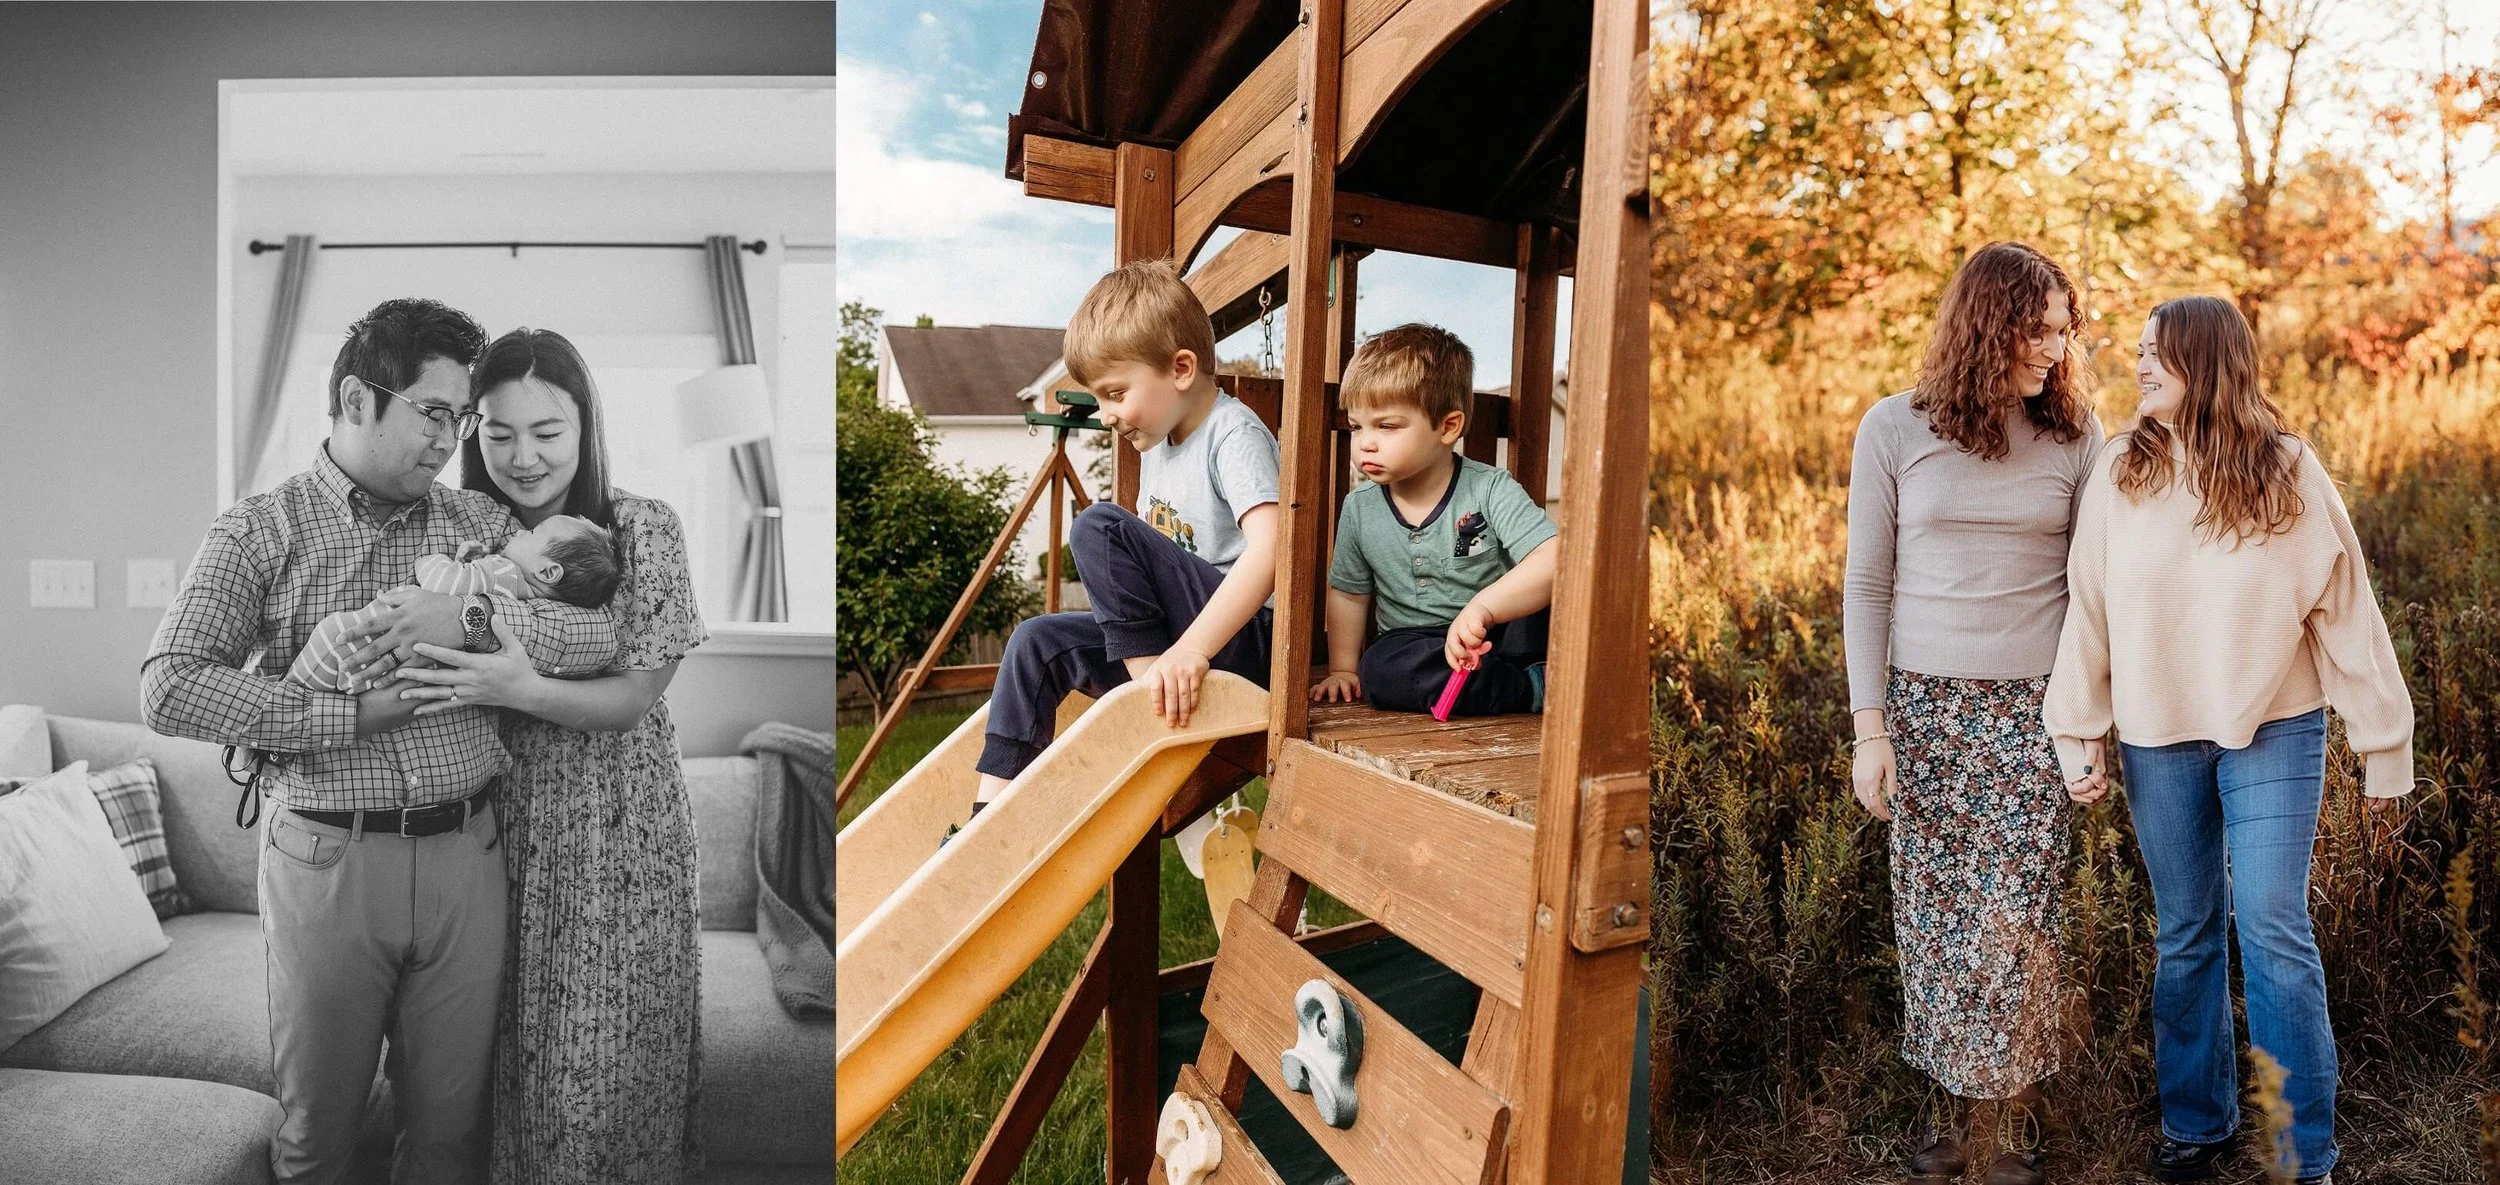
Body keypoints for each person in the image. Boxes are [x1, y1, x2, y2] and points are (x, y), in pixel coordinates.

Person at [140, 299, 622, 1184]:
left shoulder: (477, 524)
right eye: (435, 413)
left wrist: (471, 614)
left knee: (447, 1138)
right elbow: (168, 686)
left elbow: (599, 639)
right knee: (317, 1136)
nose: (454, 440)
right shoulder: (258, 530)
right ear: (360, 400)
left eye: (461, 419)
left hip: (468, 858)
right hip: (326, 860)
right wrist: (352, 718)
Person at [2045, 295, 2413, 1185]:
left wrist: (2383, 747)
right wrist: (2076, 730)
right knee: (2188, 933)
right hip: (2157, 735)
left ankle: (2301, 1152)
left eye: (2156, 356)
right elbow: (2087, 607)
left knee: (2275, 928)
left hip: (2274, 730)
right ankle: (2196, 1126)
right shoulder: (2117, 472)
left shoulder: (2286, 467)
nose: (2136, 368)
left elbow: (2346, 606)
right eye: (2134, 352)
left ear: (2206, 363)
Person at [386, 327, 709, 1184]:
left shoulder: (640, 528)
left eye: (547, 433)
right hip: (488, 836)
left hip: (616, 836)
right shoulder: (461, 532)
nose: (522, 457)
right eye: (497, 433)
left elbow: (638, 693)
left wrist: (515, 685)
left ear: (585, 427)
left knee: (594, 1079)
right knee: (474, 1081)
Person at [1842, 242, 2103, 1185]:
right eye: (2037, 328)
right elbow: (1866, 584)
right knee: (1936, 919)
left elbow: (2094, 590)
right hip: (1922, 714)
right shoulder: (1893, 428)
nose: (2054, 346)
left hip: (2034, 713)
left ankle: (2014, 1122)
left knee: (2020, 917)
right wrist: (1871, 730)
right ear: (1988, 323)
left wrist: (2084, 725)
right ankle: (1953, 1112)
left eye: (2062, 329)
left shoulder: (2078, 437)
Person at [967, 257, 1280, 814]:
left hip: (1246, 640)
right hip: (1178, 650)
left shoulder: (1232, 435)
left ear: (1181, 368)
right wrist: (1175, 653)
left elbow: (1272, 550)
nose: (1106, 415)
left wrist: (1188, 651)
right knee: (1035, 641)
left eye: (1115, 393)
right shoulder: (1159, 448)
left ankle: (1145, 698)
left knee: (1097, 525)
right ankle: (989, 815)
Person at [1310, 322, 1556, 715]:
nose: (1365, 442)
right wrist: (1343, 667)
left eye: (1387, 426)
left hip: (1496, 633)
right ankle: (1530, 688)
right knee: (1380, 671)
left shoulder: (1489, 488)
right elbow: (1349, 593)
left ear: (1448, 426)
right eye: (1357, 427)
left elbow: (1552, 558)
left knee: (1554, 602)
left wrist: (1484, 609)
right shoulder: (1360, 509)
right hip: (1416, 643)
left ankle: (1506, 678)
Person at [290, 515, 622, 692]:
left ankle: (286, 690)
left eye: (531, 533)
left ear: (548, 571)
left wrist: (429, 561)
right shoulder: (521, 596)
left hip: (369, 632)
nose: (519, 533)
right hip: (397, 659)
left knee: (326, 638)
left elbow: (443, 584)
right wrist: (470, 566)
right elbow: (466, 588)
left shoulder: (504, 572)